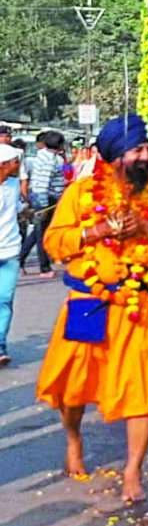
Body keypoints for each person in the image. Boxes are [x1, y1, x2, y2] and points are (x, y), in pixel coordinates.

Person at [36, 115, 148, 501]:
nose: (144, 156)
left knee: (141, 391)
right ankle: (73, 440)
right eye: (135, 150)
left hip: (140, 305)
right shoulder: (80, 192)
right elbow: (54, 242)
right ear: (113, 157)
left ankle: (132, 471)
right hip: (89, 303)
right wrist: (95, 232)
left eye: (145, 149)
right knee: (73, 388)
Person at [19, 131, 66, 278]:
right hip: (45, 199)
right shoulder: (47, 159)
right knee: (42, 235)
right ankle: (44, 268)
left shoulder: (53, 158)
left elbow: (64, 173)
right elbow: (44, 183)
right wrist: (44, 206)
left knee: (36, 233)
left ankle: (19, 260)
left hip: (50, 198)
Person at [0, 144, 23, 366]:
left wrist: (24, 210)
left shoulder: (15, 185)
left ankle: (0, 345)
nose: (19, 165)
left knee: (4, 300)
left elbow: (15, 208)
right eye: (15, 161)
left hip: (10, 250)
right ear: (3, 165)